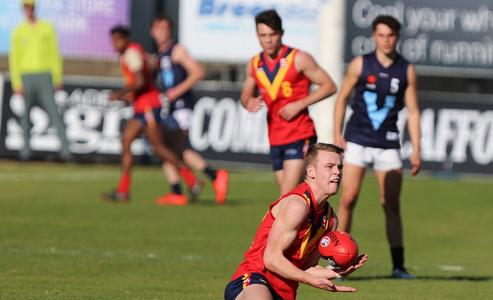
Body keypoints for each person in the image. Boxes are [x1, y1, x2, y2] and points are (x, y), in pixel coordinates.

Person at [153, 143, 368, 300]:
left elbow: (305, 268)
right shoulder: (296, 205)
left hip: (281, 299)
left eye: (339, 167)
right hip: (253, 279)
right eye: (330, 166)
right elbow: (272, 259)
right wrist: (309, 280)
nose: (337, 172)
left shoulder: (330, 218)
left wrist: (336, 272)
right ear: (311, 172)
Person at [333, 15, 421, 279]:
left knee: (391, 204)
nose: (386, 40)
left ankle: (398, 265)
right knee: (348, 199)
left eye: (391, 35)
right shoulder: (361, 64)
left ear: (397, 37)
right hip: (358, 139)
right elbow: (342, 99)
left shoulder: (406, 69)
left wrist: (416, 148)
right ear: (373, 36)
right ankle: (338, 262)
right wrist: (337, 134)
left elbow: (414, 111)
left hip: (388, 143)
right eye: (381, 35)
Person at [240, 9, 337, 195]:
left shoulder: (298, 58)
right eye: (263, 35)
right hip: (275, 137)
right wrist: (248, 102)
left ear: (281, 33)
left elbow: (329, 86)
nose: (268, 40)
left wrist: (300, 104)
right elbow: (245, 95)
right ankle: (320, 221)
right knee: (299, 196)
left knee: (286, 197)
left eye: (272, 34)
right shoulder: (254, 64)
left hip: (300, 134)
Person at [150, 15, 229, 205]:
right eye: (158, 28)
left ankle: (215, 175)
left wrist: (174, 93)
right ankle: (177, 191)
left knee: (176, 148)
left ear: (170, 30)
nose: (161, 32)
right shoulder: (159, 55)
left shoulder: (177, 50)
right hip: (169, 108)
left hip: (181, 108)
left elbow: (198, 72)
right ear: (152, 32)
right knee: (165, 149)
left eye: (165, 28)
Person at [103, 25, 185, 203]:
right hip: (141, 106)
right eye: (113, 40)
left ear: (125, 39)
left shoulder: (131, 53)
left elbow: (140, 81)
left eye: (118, 39)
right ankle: (123, 191)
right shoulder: (130, 53)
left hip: (148, 106)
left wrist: (121, 93)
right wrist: (128, 97)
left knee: (159, 148)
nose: (115, 44)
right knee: (126, 141)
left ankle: (192, 180)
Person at [9, 0, 71, 162]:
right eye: (26, 7)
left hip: (45, 77)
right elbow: (14, 59)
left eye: (31, 7)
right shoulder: (18, 31)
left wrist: (57, 78)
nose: (28, 10)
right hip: (26, 77)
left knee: (55, 115)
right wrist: (17, 82)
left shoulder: (47, 28)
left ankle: (66, 152)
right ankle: (25, 153)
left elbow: (55, 54)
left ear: (35, 8)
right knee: (25, 117)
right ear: (23, 9)